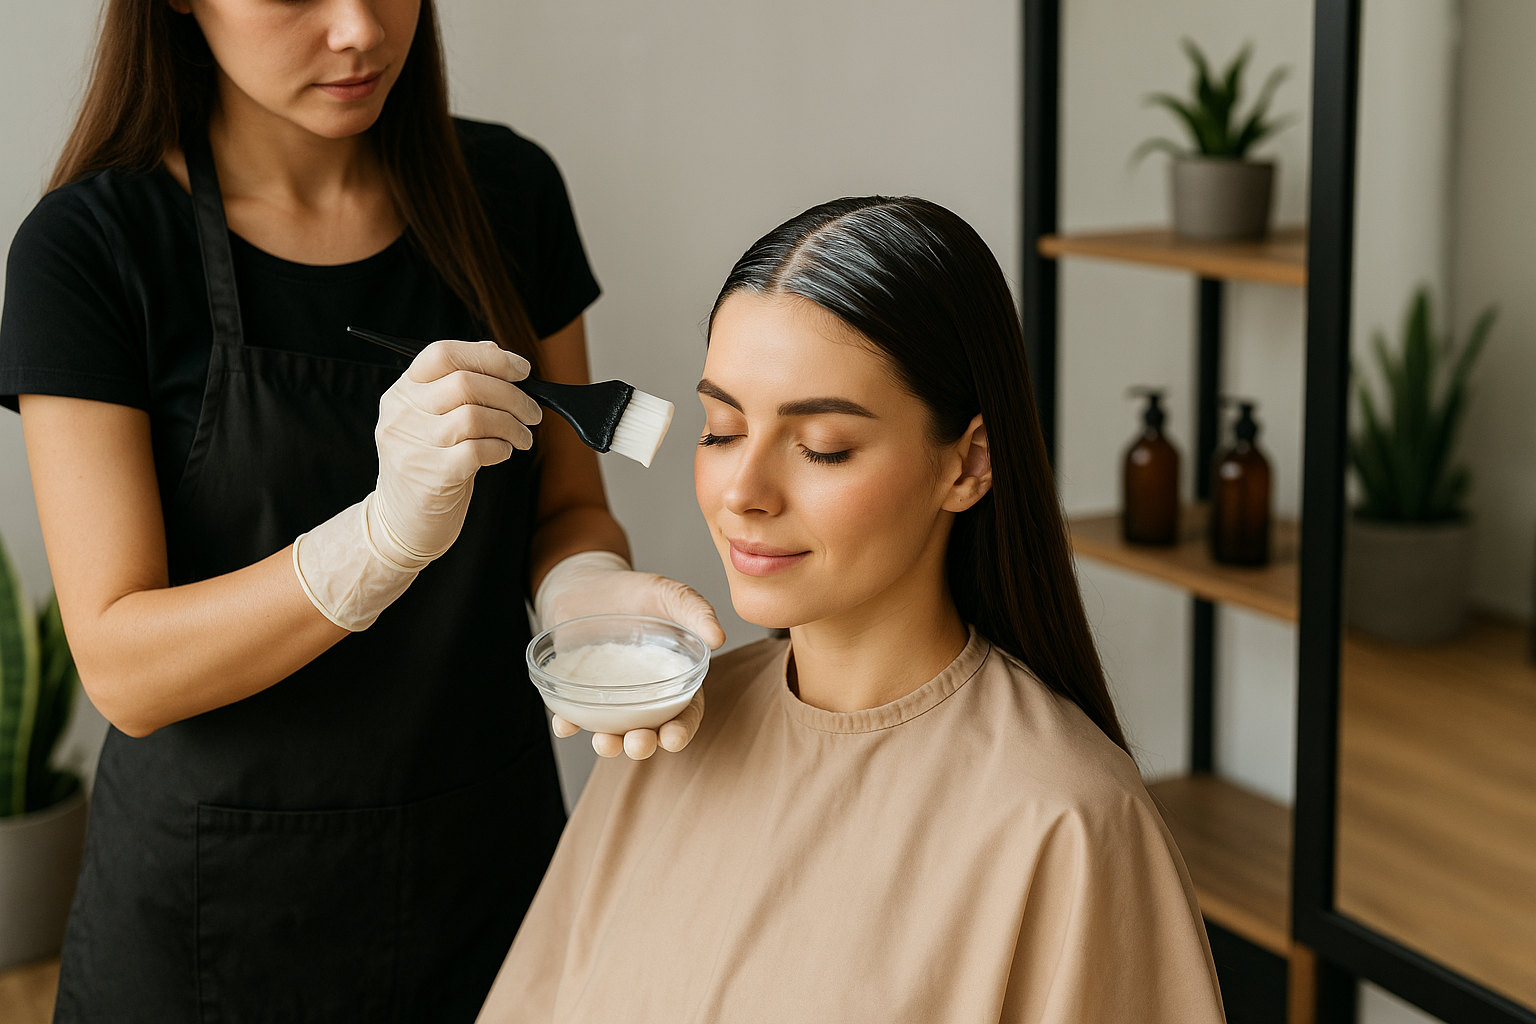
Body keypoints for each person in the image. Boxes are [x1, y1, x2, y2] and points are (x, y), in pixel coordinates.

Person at [0, 0, 722, 1020]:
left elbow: (565, 504)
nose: (358, 30)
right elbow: (125, 668)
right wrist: (377, 541)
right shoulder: (91, 250)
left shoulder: (510, 194)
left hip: (488, 884)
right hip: (213, 926)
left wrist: (589, 599)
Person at [476, 197, 1226, 1023]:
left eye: (822, 447)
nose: (744, 494)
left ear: (968, 464)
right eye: (721, 430)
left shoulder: (1069, 824)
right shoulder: (671, 733)